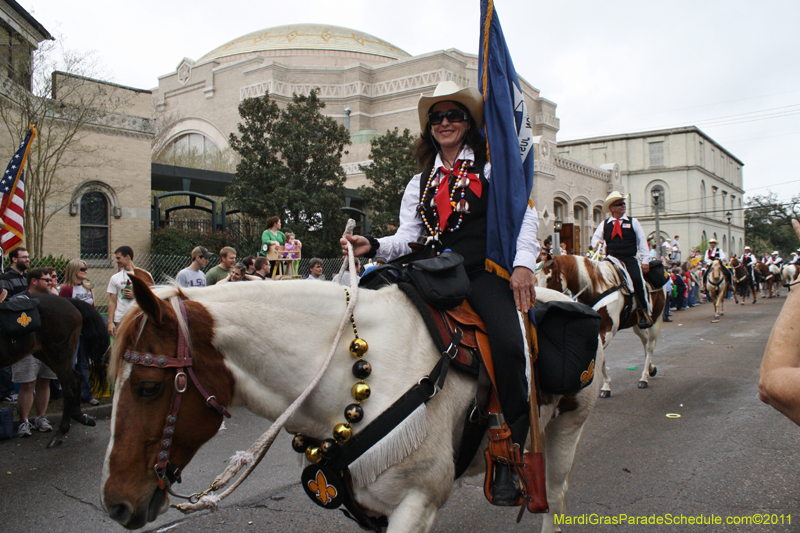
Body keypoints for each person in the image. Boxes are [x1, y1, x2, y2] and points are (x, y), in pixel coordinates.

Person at [340, 81, 539, 504]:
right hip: (430, 269)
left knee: (507, 343)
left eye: (454, 115)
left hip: (481, 272)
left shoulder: (492, 168)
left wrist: (523, 265)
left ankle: (509, 451)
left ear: (469, 123)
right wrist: (373, 246)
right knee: (368, 309)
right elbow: (408, 237)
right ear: (429, 128)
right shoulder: (420, 182)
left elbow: (525, 216)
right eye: (437, 117)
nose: (445, 122)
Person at [759, 219, 800, 425]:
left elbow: (768, 385)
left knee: (775, 269)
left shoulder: (775, 258)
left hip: (774, 266)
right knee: (755, 270)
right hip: (765, 265)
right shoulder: (707, 253)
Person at [591, 191, 652, 329]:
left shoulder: (633, 222)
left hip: (629, 259)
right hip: (611, 259)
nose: (623, 206)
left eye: (623, 203)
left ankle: (644, 312)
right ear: (612, 208)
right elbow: (594, 238)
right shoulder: (604, 224)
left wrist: (645, 261)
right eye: (619, 204)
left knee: (637, 281)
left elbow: (642, 242)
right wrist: (597, 243)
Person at [11, 268, 57, 437]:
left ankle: (41, 418)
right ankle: (24, 421)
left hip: (47, 349)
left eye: (51, 279)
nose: (50, 282)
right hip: (27, 350)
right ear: (34, 281)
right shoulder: (19, 299)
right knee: (28, 384)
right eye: (46, 280)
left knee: (44, 382)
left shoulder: (53, 299)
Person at [58, 259, 99, 405]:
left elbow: (92, 308)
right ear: (74, 270)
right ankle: (70, 394)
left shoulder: (87, 288)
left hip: (86, 331)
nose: (85, 271)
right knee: (71, 363)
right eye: (82, 269)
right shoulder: (66, 290)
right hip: (73, 332)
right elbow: (62, 312)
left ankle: (86, 394)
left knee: (84, 364)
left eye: (86, 269)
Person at [107, 246, 154, 337]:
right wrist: (110, 322)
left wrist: (136, 295)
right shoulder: (115, 277)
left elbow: (152, 297)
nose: (116, 261)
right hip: (121, 318)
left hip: (139, 318)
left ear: (127, 257)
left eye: (118, 258)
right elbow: (112, 301)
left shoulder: (144, 275)